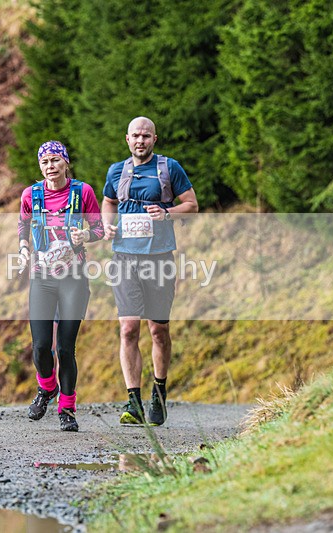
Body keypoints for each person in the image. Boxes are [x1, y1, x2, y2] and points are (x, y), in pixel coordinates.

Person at [101, 117, 199, 426]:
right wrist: (107, 225)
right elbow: (108, 201)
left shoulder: (170, 168)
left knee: (158, 330)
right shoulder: (116, 171)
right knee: (129, 328)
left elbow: (192, 205)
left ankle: (159, 391)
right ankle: (134, 402)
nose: (140, 141)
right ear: (127, 139)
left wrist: (166, 213)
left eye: (146, 136)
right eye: (135, 136)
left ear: (154, 139)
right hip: (124, 259)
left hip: (159, 259)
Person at [18, 141, 104, 432]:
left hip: (73, 278)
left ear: (66, 163)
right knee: (41, 346)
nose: (50, 166)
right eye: (44, 162)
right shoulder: (31, 195)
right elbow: (23, 225)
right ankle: (47, 387)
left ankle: (67, 409)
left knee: (66, 348)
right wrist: (22, 248)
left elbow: (99, 229)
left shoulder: (83, 192)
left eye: (55, 160)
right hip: (42, 277)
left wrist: (85, 236)